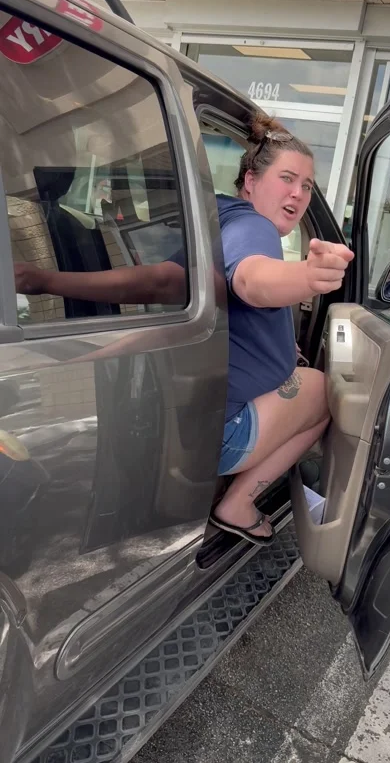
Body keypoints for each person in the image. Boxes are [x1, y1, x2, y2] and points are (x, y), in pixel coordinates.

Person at [14, 114, 353, 545]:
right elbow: (253, 279)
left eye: (306, 185)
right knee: (324, 391)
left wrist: (46, 281)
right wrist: (308, 277)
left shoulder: (217, 218)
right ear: (250, 180)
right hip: (223, 435)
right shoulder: (255, 226)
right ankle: (238, 505)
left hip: (197, 420)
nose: (298, 193)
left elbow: (167, 281)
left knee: (303, 376)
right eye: (287, 178)